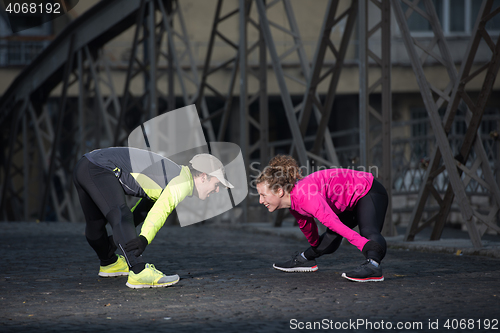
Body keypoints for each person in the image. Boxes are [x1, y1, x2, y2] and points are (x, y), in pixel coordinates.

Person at [73, 147, 233, 289]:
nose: (217, 190)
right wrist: (143, 239)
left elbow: (143, 211)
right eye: (217, 184)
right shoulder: (182, 182)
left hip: (85, 165)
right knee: (120, 213)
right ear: (204, 176)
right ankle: (139, 271)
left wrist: (119, 239)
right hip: (99, 168)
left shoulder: (172, 174)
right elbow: (161, 211)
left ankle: (109, 263)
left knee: (96, 222)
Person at [255, 155, 388, 282]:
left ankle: (373, 266)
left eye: (263, 195)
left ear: (279, 191)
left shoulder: (305, 195)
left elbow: (331, 221)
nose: (260, 201)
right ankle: (305, 259)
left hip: (369, 190)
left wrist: (362, 244)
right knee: (330, 237)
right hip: (349, 202)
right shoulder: (293, 202)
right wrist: (315, 245)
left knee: (368, 231)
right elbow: (306, 225)